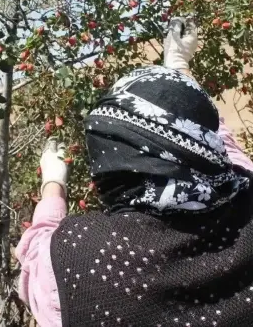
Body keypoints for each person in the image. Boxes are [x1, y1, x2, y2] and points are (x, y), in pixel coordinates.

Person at [15, 19, 253, 327]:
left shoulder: (77, 259)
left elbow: (36, 256)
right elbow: (218, 147)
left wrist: (53, 183)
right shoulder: (246, 194)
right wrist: (177, 68)